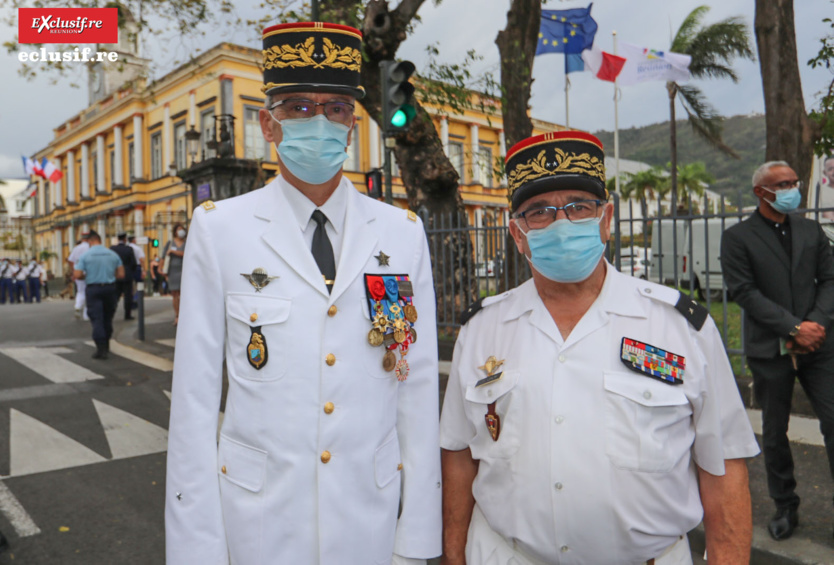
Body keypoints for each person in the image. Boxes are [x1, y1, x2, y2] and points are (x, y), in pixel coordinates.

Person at [165, 21, 441, 565]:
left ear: (352, 124)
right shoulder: (221, 229)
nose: (319, 120)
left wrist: (418, 536)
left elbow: (416, 383)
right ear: (269, 124)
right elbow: (195, 403)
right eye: (298, 107)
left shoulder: (401, 233)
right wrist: (197, 550)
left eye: (335, 108)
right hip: (261, 523)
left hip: (372, 518)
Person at [440, 132, 760, 565]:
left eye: (578, 207)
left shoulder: (679, 327)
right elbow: (459, 456)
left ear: (606, 219)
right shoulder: (482, 330)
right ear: (517, 234)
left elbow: (724, 467)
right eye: (539, 212)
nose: (562, 224)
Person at [721, 160, 834, 541]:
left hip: (819, 345)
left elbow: (830, 278)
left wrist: (814, 324)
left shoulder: (810, 229)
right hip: (771, 347)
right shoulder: (738, 237)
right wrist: (792, 327)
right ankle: (786, 505)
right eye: (782, 184)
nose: (791, 188)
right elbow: (744, 291)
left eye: (793, 182)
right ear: (760, 192)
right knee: (774, 432)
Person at [73, 230, 123, 360]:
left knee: (97, 319)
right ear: (101, 241)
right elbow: (121, 274)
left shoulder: (85, 256)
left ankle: (101, 348)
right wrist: (111, 276)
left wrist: (87, 275)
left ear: (90, 242)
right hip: (110, 288)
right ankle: (106, 344)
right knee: (107, 318)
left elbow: (77, 275)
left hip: (93, 289)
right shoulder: (113, 254)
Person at [111, 233, 138, 320]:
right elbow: (133, 263)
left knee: (115, 295)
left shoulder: (112, 249)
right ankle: (127, 315)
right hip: (127, 275)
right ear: (125, 239)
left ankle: (111, 313)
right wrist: (131, 271)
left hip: (116, 275)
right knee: (128, 296)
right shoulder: (129, 249)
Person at [163, 224, 187, 325]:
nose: (181, 231)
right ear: (175, 231)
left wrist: (173, 251)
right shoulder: (169, 243)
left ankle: (184, 315)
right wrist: (163, 270)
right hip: (172, 270)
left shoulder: (187, 243)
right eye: (179, 229)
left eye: (182, 229)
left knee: (184, 294)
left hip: (184, 270)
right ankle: (177, 315)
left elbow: (185, 254)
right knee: (175, 294)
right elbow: (164, 256)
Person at [68, 233, 91, 320]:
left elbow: (70, 260)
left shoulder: (76, 248)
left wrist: (74, 271)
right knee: (89, 293)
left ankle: (77, 306)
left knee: (80, 291)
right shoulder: (90, 247)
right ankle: (86, 315)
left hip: (78, 272)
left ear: (82, 239)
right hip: (89, 273)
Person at [128, 235, 145, 307]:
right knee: (139, 285)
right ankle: (136, 299)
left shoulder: (127, 248)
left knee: (130, 286)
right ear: (134, 240)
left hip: (129, 268)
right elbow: (141, 260)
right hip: (137, 267)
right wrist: (144, 270)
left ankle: (131, 301)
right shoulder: (138, 248)